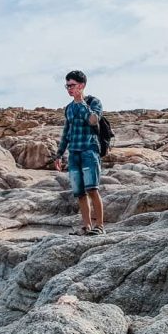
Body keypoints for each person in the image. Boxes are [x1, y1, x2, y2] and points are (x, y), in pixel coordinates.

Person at [54, 70, 105, 236]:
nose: (69, 89)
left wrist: (81, 102)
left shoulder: (94, 102)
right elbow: (66, 133)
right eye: (67, 86)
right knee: (80, 192)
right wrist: (59, 154)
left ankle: (100, 226)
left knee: (92, 189)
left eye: (72, 85)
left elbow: (93, 120)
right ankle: (86, 226)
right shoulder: (68, 108)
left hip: (89, 150)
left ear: (82, 85)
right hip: (74, 153)